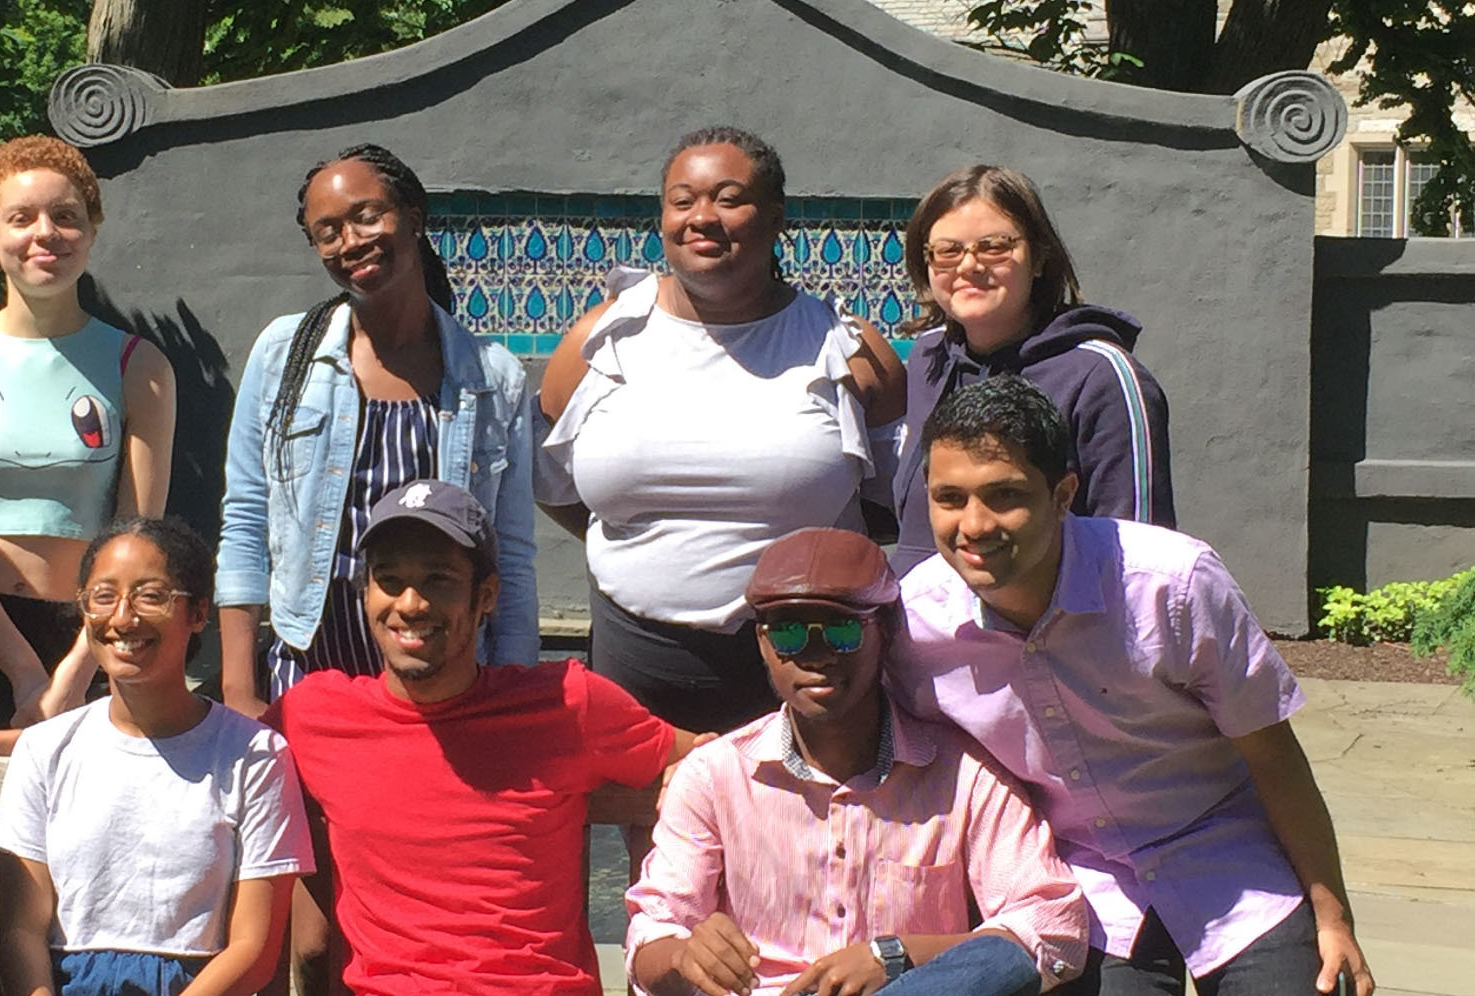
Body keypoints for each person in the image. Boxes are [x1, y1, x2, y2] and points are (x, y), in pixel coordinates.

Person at [892, 376, 1374, 996]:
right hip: (1077, 882)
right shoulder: (914, 625)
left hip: (1224, 850)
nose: (974, 524)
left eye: (1004, 495)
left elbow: (1274, 757)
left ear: (1063, 494)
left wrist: (1332, 917)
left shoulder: (1172, 585)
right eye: (949, 498)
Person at [536, 125, 907, 733]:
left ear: (775, 216)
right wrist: (639, 541)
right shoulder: (599, 341)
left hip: (808, 660)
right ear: (662, 218)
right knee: (655, 826)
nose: (701, 217)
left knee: (801, 824)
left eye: (729, 198)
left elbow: (900, 505)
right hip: (634, 660)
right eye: (683, 201)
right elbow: (553, 480)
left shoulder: (847, 349)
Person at [268, 479, 698, 995]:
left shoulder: (566, 703)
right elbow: (213, 760)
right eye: (389, 580)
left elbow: (721, 760)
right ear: (365, 595)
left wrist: (689, 783)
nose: (411, 603)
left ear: (486, 595)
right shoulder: (315, 714)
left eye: (439, 580)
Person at [626, 526, 1087, 996]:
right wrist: (685, 955)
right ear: (763, 643)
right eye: (788, 634)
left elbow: (1050, 924)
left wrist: (895, 956)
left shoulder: (963, 774)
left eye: (841, 632)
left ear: (885, 634)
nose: (815, 655)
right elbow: (651, 934)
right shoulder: (714, 775)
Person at [217, 143, 538, 719]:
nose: (351, 242)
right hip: (309, 677)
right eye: (328, 231)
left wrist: (513, 691)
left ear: (413, 218)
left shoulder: (493, 379)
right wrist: (240, 690)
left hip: (444, 685)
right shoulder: (282, 356)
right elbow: (246, 518)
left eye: (367, 216)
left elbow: (509, 554)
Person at [0, 134, 176, 733]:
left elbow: (138, 536)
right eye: (20, 218)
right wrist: (24, 671)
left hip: (100, 638)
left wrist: (76, 669)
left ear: (93, 230)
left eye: (66, 216)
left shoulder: (141, 368)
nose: (44, 233)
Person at [0, 516, 310, 996]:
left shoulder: (254, 756)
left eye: (150, 595)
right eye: (103, 596)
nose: (123, 618)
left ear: (199, 612)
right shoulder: (45, 750)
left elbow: (254, 947)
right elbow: (20, 931)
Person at [888, 164, 1173, 574]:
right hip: (922, 628)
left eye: (994, 246)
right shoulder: (928, 358)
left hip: (1049, 635)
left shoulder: (1101, 377)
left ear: (1038, 258)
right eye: (948, 251)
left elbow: (1140, 561)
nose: (968, 266)